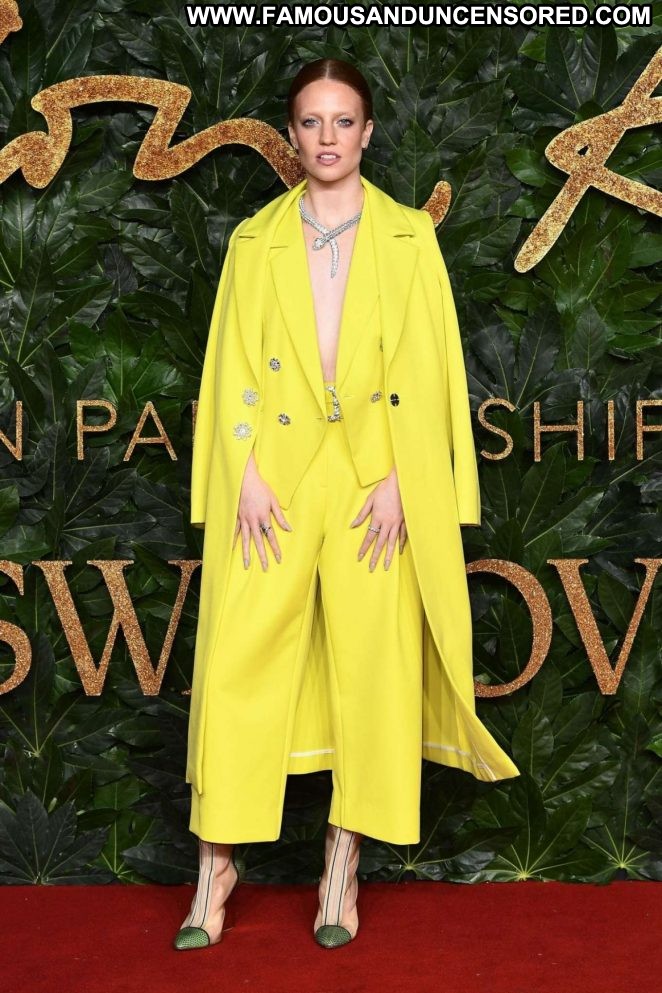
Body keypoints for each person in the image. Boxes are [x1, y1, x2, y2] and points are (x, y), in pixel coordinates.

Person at [174, 57, 520, 952]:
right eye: (311, 121)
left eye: (343, 120)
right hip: (276, 477)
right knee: (238, 662)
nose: (326, 137)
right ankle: (216, 866)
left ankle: (342, 864)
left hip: (375, 479)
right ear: (292, 135)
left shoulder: (409, 237)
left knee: (372, 666)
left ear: (368, 131)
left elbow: (436, 368)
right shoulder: (254, 239)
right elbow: (230, 367)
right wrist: (243, 472)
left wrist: (410, 478)